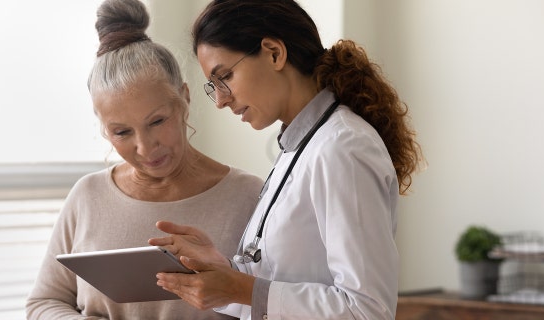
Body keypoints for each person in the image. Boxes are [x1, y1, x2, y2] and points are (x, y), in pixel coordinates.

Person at [147, 1, 424, 319]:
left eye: (225, 77)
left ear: (274, 53)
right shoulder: (301, 148)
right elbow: (279, 290)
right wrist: (221, 273)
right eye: (215, 86)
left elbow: (368, 310)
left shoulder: (342, 148)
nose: (221, 100)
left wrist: (242, 288)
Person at [25, 0, 263, 319]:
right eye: (122, 132)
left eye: (157, 122)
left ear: (185, 99)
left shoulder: (249, 196)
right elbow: (43, 303)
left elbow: (273, 304)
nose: (145, 147)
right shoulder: (87, 196)